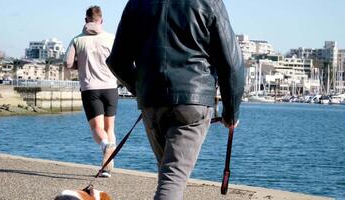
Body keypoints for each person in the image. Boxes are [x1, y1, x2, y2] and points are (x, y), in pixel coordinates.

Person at [107, 0, 245, 199]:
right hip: (193, 101)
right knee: (172, 180)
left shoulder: (136, 3)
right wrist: (231, 112)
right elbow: (232, 63)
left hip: (152, 101)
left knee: (168, 175)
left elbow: (118, 61)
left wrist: (142, 88)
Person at [64, 6, 118, 178]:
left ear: (86, 20)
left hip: (90, 88)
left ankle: (105, 147)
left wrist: (80, 65)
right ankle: (107, 168)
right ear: (101, 20)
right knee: (110, 128)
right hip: (111, 87)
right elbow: (119, 61)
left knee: (97, 128)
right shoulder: (111, 38)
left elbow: (67, 63)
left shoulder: (77, 40)